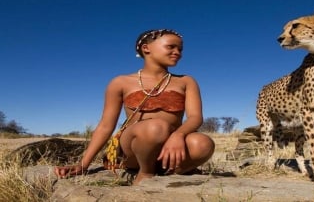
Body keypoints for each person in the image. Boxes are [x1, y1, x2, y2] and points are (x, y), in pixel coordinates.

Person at [54, 29, 215, 185]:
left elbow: (195, 118)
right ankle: (145, 173)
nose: (177, 52)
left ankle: (172, 170)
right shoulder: (121, 82)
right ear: (146, 48)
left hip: (171, 144)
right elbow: (105, 126)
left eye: (180, 49)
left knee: (202, 143)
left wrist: (178, 135)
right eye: (170, 47)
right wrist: (83, 164)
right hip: (133, 148)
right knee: (156, 127)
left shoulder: (186, 81)